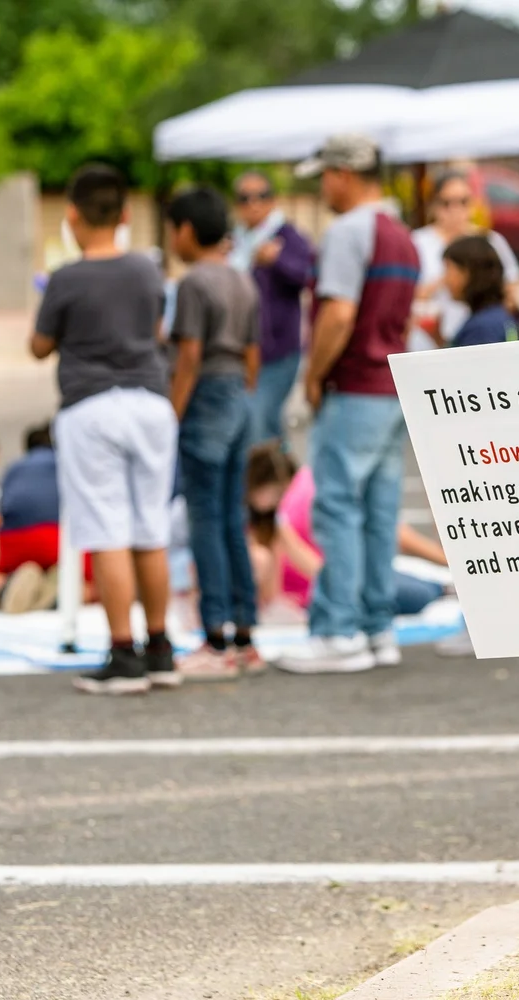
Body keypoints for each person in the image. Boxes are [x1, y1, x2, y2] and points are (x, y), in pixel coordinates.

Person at [29, 163, 178, 695]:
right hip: (150, 401)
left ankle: (122, 653)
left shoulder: (66, 278)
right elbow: (157, 329)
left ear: (72, 215)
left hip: (91, 405)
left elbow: (40, 345)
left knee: (106, 529)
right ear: (125, 214)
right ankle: (160, 647)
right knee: (150, 529)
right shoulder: (146, 270)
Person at [274, 134, 420, 675]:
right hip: (391, 384)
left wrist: (313, 377)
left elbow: (338, 313)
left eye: (326, 177)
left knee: (336, 505)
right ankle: (377, 627)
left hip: (355, 382)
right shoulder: (402, 236)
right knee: (379, 511)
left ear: (343, 174)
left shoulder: (348, 232)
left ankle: (337, 630)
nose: (324, 188)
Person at [166, 186, 263, 681]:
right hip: (239, 397)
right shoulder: (242, 280)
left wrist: (172, 412)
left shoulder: (192, 284)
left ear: (185, 230)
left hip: (205, 395)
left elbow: (188, 354)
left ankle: (215, 635)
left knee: (204, 518)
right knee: (231, 517)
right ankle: (245, 635)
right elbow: (253, 353)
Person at [245, 442, 447, 618]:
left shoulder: (290, 508)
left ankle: (444, 575)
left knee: (420, 590)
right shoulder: (286, 511)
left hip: (344, 581)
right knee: (419, 591)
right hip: (345, 582)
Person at [0, 423, 98, 615]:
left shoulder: (14, 469)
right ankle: (60, 593)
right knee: (103, 575)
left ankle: (2, 590)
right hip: (58, 537)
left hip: (11, 541)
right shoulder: (69, 463)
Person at [230, 171, 314, 446]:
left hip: (277, 351)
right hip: (243, 350)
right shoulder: (234, 240)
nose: (253, 204)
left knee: (262, 427)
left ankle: (283, 473)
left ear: (272, 200)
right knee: (262, 426)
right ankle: (283, 471)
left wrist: (277, 260)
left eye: (261, 196)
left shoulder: (287, 236)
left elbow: (307, 276)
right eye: (245, 198)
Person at [410, 171, 519, 350]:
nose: (456, 210)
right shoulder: (418, 242)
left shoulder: (488, 240)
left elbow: (512, 286)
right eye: (447, 203)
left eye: (463, 202)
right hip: (430, 342)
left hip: (479, 333)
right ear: (433, 204)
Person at [442, 235, 518, 347]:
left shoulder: (482, 328)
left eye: (449, 269)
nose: (445, 279)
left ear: (468, 273)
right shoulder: (496, 315)